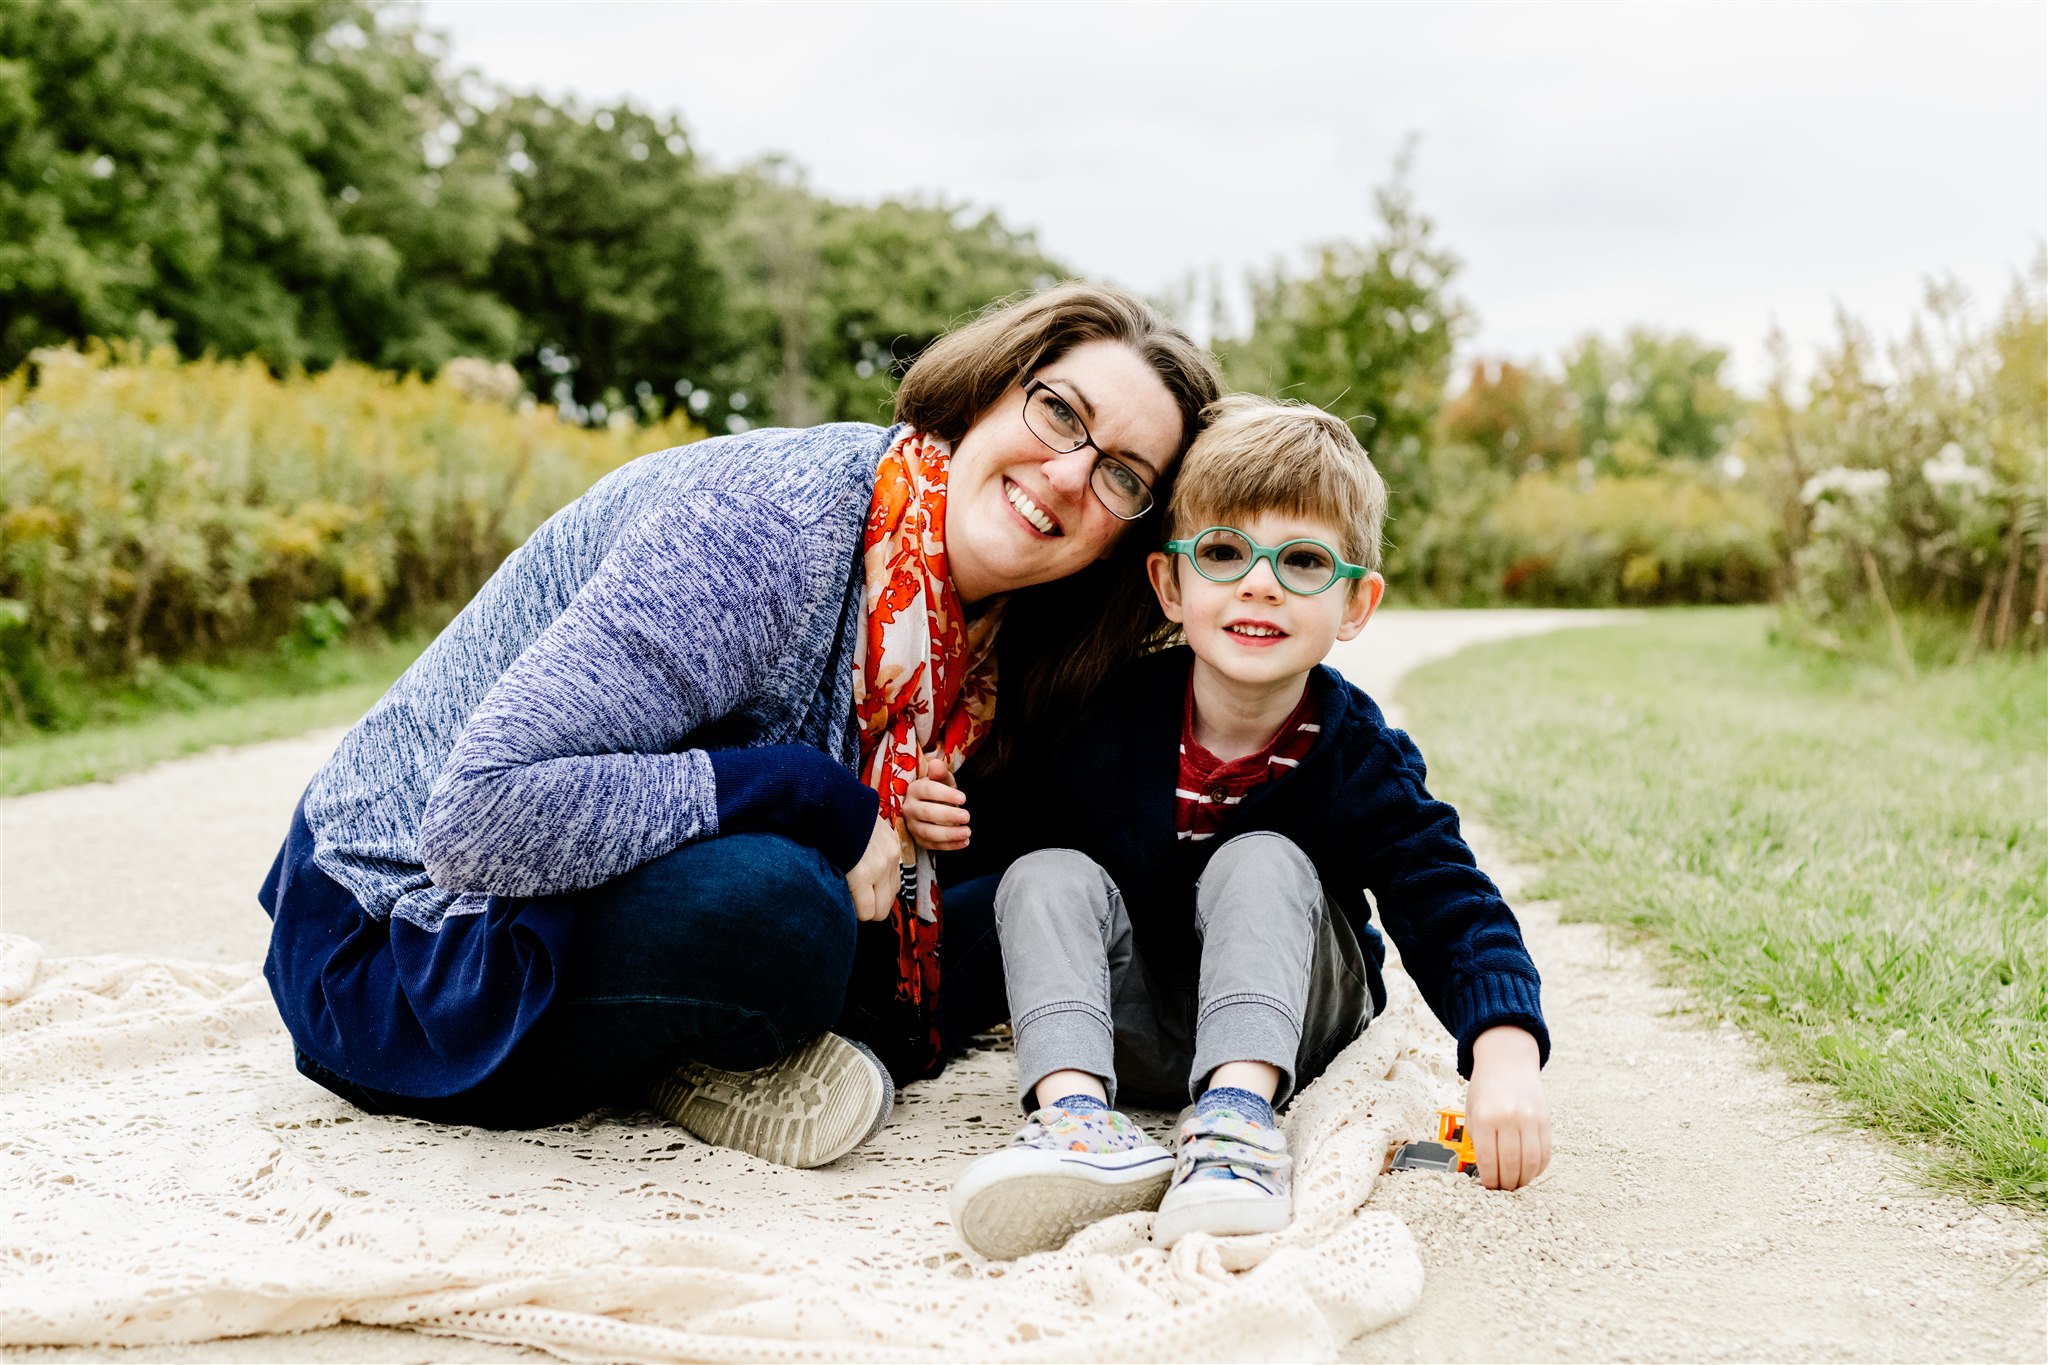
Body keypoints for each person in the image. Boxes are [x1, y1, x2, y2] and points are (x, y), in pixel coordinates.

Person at [256, 282, 1221, 1169]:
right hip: (401, 938)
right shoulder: (769, 528)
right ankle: (723, 1042)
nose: (1065, 475)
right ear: (988, 389)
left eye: (1123, 477)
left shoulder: (967, 626)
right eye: (1059, 412)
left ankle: (790, 1038)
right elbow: (473, 821)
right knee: (782, 911)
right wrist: (816, 796)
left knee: (1026, 882)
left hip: (585, 892)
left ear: (1130, 532)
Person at [928, 395, 1552, 1260]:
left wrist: (1505, 1052)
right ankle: (1076, 1122)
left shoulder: (1358, 753)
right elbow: (990, 872)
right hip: (1135, 1026)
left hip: (1299, 1016)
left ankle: (1237, 1125)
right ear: (1171, 586)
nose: (1259, 582)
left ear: (1356, 604)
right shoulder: (1106, 722)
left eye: (1302, 561)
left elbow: (1452, 901)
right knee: (1043, 872)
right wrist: (939, 820)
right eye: (1223, 553)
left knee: (1261, 858)